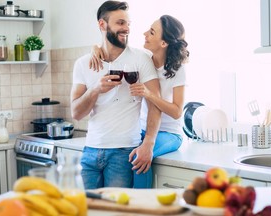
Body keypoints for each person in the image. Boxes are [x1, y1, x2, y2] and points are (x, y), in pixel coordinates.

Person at [89, 15, 189, 188]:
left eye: (151, 32)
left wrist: (149, 95)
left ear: (164, 43)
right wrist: (95, 48)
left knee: (138, 157)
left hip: (169, 133)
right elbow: (113, 50)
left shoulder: (177, 70)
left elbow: (177, 112)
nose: (144, 34)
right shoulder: (143, 60)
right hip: (142, 129)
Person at [70, 1, 161, 189]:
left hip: (124, 151)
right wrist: (95, 89)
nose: (127, 28)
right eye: (120, 23)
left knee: (115, 209)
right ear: (102, 25)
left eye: (128, 23)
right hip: (90, 151)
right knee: (88, 209)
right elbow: (76, 113)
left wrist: (148, 144)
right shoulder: (83, 63)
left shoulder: (141, 58)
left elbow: (155, 105)